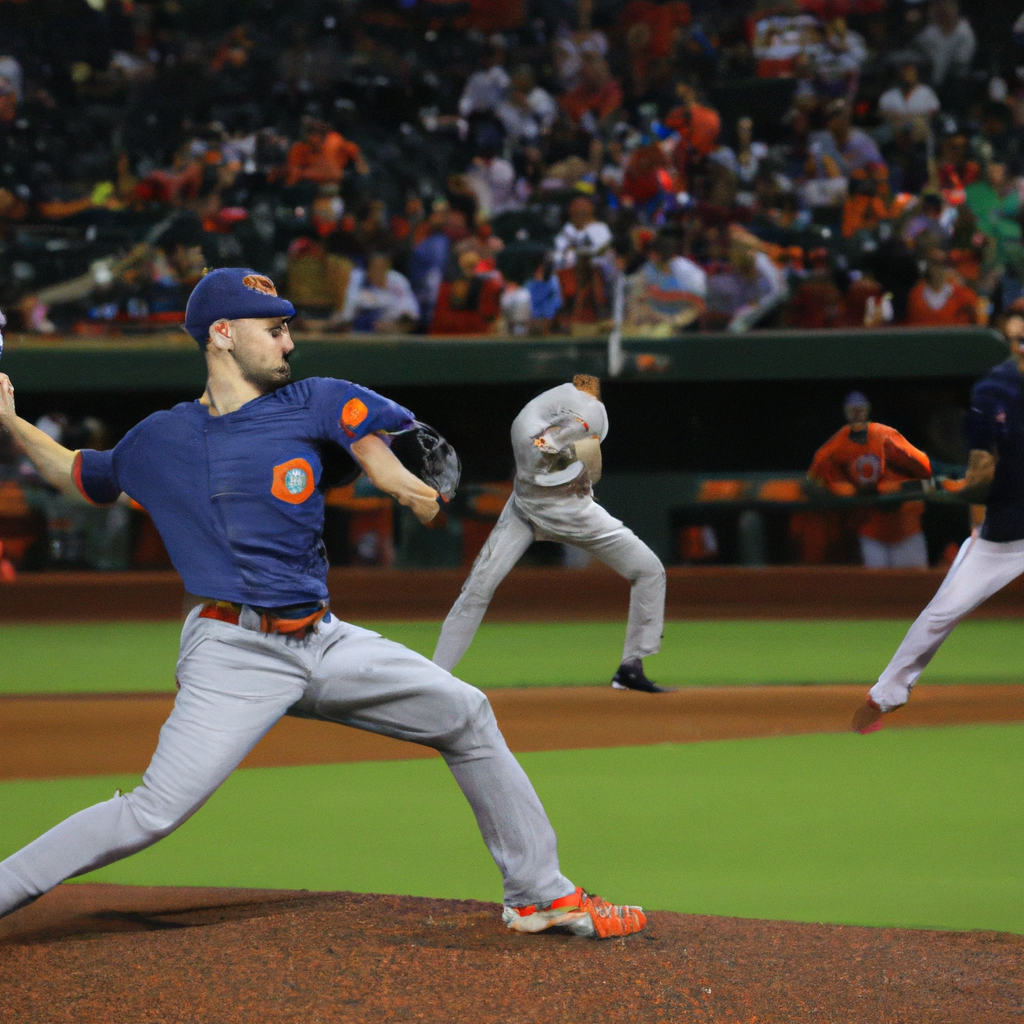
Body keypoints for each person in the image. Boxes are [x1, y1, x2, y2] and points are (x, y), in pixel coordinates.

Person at [0, 271, 645, 940]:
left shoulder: (313, 399)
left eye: (288, 328)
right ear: (222, 335)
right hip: (232, 649)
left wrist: (399, 483)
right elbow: (78, 472)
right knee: (152, 812)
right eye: (273, 329)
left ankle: (540, 896)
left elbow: (370, 443)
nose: (289, 342)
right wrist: (11, 420)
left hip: (324, 640)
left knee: (465, 712)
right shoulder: (159, 440)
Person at [432, 375, 668, 693]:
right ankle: (433, 678)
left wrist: (584, 472)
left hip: (531, 504)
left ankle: (630, 668)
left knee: (475, 591)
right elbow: (548, 448)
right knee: (649, 570)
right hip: (556, 510)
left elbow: (582, 442)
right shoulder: (533, 430)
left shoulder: (576, 405)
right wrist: (580, 465)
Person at [853, 311, 1024, 733]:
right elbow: (983, 469)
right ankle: (884, 694)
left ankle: (884, 694)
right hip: (1005, 536)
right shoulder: (994, 391)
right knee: (942, 612)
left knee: (940, 614)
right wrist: (969, 506)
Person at [808, 392, 933, 569]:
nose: (857, 415)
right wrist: (853, 491)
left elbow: (923, 470)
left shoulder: (887, 437)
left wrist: (899, 490)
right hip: (871, 531)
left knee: (914, 588)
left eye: (861, 410)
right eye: (853, 411)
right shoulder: (840, 444)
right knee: (878, 589)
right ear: (846, 413)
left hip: (906, 529)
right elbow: (815, 481)